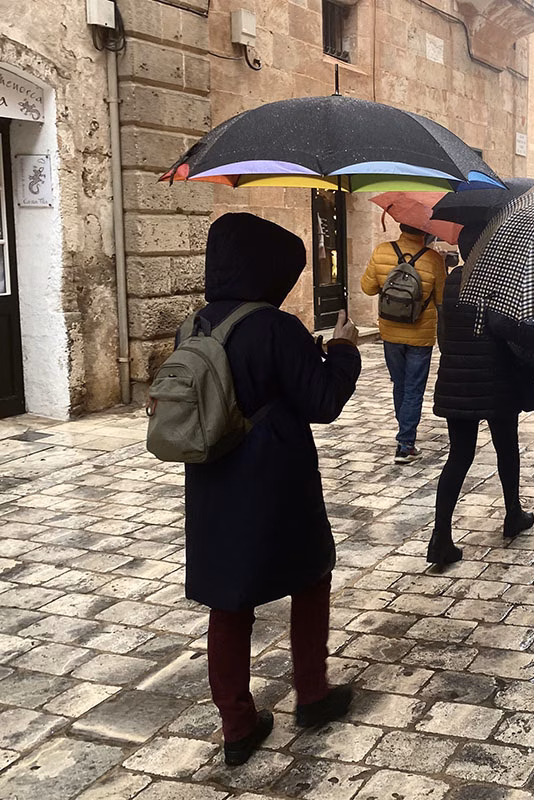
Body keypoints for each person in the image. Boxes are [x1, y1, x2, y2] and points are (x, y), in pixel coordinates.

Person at [184, 213, 362, 767]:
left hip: (214, 480)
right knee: (310, 575)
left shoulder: (195, 325)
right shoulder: (275, 326)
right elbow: (324, 402)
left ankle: (237, 723)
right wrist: (343, 349)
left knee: (227, 599)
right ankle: (311, 693)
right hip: (276, 477)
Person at [427, 229, 534, 566]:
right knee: (506, 448)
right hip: (495, 379)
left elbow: (446, 333)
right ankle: (512, 513)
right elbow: (505, 326)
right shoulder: (496, 283)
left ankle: (441, 536)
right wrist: (533, 333)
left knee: (459, 456)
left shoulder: (454, 281)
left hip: (457, 380)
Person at [361, 224, 446, 464]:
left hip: (390, 331)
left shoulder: (381, 251)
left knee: (399, 384)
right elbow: (441, 298)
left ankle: (405, 435)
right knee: (413, 388)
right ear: (425, 231)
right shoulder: (433, 259)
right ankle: (405, 443)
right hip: (421, 333)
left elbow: (367, 288)